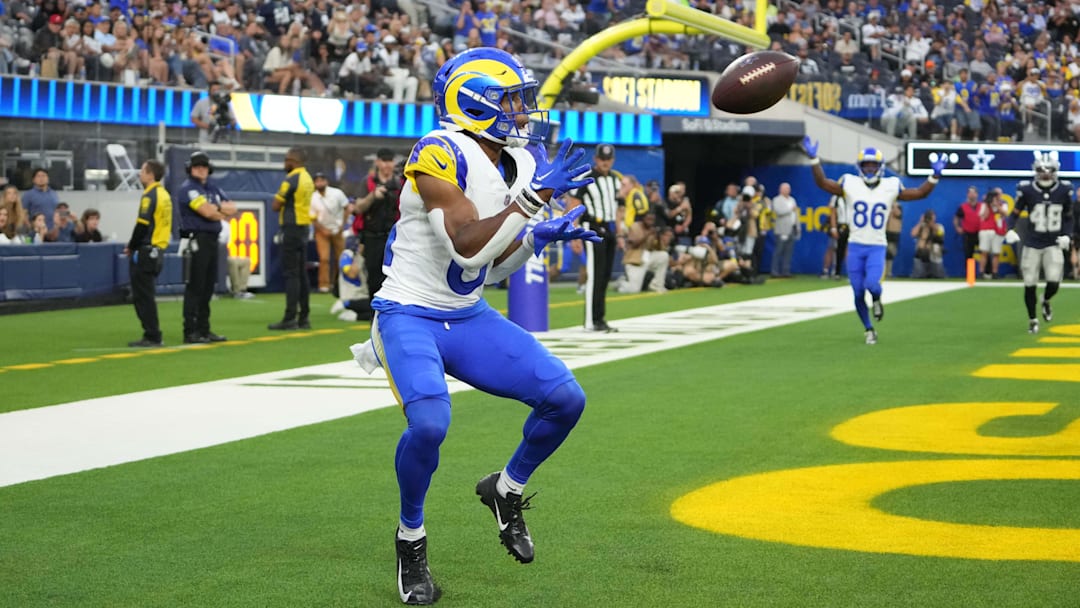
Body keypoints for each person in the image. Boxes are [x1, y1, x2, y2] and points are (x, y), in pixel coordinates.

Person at [349, 47, 597, 606]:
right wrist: (532, 205)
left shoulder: (521, 159)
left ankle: (505, 490)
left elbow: (487, 267)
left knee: (565, 399)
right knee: (431, 424)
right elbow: (465, 247)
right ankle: (410, 536)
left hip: (467, 315)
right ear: (475, 102)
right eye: (510, 99)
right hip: (409, 312)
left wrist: (536, 238)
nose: (521, 110)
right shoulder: (439, 150)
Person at [803, 137, 945, 345]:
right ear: (860, 167)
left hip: (877, 246)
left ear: (881, 167)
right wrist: (814, 160)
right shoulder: (849, 183)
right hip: (855, 245)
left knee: (872, 285)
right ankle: (869, 328)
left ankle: (877, 299)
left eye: (873, 165)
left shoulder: (891, 185)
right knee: (858, 291)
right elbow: (823, 183)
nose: (869, 169)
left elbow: (920, 193)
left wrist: (934, 176)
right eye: (866, 165)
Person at [1004, 154, 1075, 334]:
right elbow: (1014, 213)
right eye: (1041, 171)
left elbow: (1068, 217)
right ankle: (1033, 319)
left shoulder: (1064, 190)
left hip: (1053, 243)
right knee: (1029, 283)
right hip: (1032, 243)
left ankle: (1046, 299)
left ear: (1055, 171)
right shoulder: (1027, 190)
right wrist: (1009, 229)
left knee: (1054, 281)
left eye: (1048, 171)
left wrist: (1067, 235)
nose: (1044, 174)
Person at [175, 151, 237, 344]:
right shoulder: (188, 188)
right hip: (197, 239)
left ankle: (204, 328)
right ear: (190, 169)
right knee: (195, 286)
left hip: (211, 239)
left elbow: (232, 208)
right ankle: (190, 330)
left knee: (208, 286)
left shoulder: (212, 187)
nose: (201, 170)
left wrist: (215, 211)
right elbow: (207, 212)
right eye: (197, 166)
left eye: (203, 166)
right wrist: (218, 211)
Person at [567, 143, 622, 332]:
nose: (605, 162)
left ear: (612, 160)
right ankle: (591, 321)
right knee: (595, 275)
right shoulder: (587, 178)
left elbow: (619, 208)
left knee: (605, 276)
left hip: (609, 228)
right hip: (592, 227)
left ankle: (600, 318)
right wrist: (573, 235)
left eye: (608, 159)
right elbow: (574, 204)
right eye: (602, 159)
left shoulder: (616, 180)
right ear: (596, 159)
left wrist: (620, 233)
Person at [125, 159, 172, 347]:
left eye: (143, 171)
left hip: (146, 249)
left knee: (142, 296)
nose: (140, 174)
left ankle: (152, 334)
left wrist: (131, 245)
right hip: (159, 249)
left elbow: (142, 225)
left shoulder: (149, 195)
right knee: (147, 294)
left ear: (151, 174)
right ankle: (152, 332)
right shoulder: (165, 195)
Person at [268, 147, 314, 330]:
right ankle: (304, 317)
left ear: (293, 161)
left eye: (287, 159)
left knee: (291, 274)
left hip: (291, 228)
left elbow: (275, 205)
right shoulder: (308, 178)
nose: (284, 163)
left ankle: (289, 317)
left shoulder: (291, 178)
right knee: (302, 274)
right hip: (304, 228)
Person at [353, 148, 403, 305]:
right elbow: (357, 208)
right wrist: (373, 195)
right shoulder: (368, 182)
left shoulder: (400, 183)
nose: (387, 165)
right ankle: (373, 315)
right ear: (377, 162)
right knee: (373, 278)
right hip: (373, 237)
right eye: (384, 161)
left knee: (395, 278)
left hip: (395, 238)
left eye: (390, 161)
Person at [310, 171, 352, 294]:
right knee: (324, 258)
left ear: (326, 182)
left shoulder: (337, 193)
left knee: (340, 258)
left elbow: (347, 208)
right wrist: (323, 230)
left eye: (321, 180)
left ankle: (339, 284)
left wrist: (342, 226)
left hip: (337, 229)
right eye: (317, 181)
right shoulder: (313, 198)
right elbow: (312, 218)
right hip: (322, 231)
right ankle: (324, 285)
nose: (319, 183)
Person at [953, 186, 986, 275]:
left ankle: (986, 273)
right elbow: (956, 217)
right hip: (968, 233)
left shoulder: (982, 206)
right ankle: (970, 274)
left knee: (984, 253)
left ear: (977, 194)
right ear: (967, 194)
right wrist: (957, 227)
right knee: (969, 255)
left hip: (980, 233)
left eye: (974, 192)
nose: (972, 194)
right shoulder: (963, 207)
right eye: (970, 192)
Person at [769, 182, 799, 278]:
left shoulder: (792, 200)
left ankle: (786, 271)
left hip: (792, 228)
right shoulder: (776, 200)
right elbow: (778, 212)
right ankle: (774, 271)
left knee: (788, 252)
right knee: (779, 251)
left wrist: (798, 226)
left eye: (788, 188)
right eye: (785, 188)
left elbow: (796, 214)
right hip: (782, 229)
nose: (787, 190)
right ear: (780, 190)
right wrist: (790, 209)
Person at [910, 209, 946, 279]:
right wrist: (920, 222)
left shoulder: (939, 226)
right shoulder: (922, 226)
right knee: (919, 275)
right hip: (922, 253)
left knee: (938, 276)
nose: (929, 219)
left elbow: (940, 234)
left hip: (934, 255)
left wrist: (931, 224)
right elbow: (913, 234)